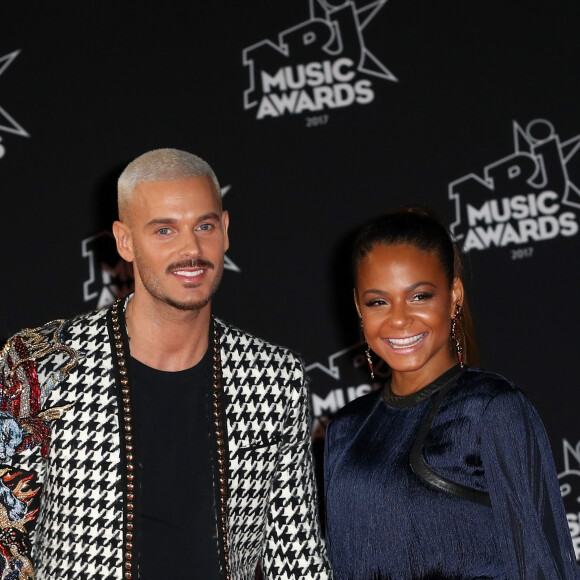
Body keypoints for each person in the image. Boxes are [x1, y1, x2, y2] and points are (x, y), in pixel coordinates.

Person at [0, 148, 332, 580]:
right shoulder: (40, 364)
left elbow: (298, 559)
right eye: (164, 230)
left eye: (205, 226)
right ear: (125, 241)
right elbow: (7, 543)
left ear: (225, 230)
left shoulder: (274, 377)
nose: (191, 249)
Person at [324, 207, 579, 579]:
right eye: (378, 301)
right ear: (358, 307)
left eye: (419, 296)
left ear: (454, 296)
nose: (398, 319)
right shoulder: (345, 430)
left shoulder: (491, 408)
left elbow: (543, 565)